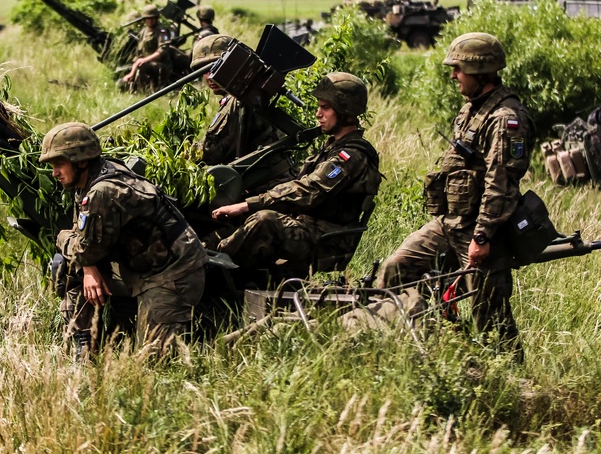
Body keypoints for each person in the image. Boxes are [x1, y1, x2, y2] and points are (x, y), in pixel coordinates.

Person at [376, 32, 532, 351]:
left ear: (480, 72)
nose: (453, 75)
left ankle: (515, 385)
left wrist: (483, 236)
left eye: (458, 69)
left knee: (490, 316)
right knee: (396, 268)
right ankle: (418, 340)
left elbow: (500, 183)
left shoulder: (506, 118)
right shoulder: (470, 109)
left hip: (480, 231)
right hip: (450, 223)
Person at [40, 122, 208, 357]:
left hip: (173, 273)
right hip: (141, 268)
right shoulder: (89, 181)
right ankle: (83, 344)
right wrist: (88, 268)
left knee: (153, 361)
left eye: (59, 164)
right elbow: (84, 247)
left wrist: (62, 238)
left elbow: (82, 247)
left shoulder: (102, 191)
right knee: (68, 267)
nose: (54, 173)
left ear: (81, 161)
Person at [210, 73, 382, 274]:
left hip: (328, 238)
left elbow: (308, 190)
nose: (318, 114)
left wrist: (249, 204)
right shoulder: (333, 147)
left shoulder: (351, 156)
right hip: (311, 226)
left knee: (265, 222)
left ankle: (212, 271)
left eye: (325, 108)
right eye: (319, 107)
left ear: (345, 112)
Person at [190, 34, 295, 186]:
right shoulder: (245, 92)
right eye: (203, 71)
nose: (209, 77)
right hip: (272, 179)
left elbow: (212, 152)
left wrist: (181, 155)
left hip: (272, 185)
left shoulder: (238, 100)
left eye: (215, 67)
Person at [121, 4, 172, 92]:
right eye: (147, 18)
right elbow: (139, 54)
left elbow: (162, 51)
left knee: (142, 66)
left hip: (161, 65)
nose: (150, 21)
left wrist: (145, 60)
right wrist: (132, 70)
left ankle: (143, 92)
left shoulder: (162, 32)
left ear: (156, 18)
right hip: (145, 63)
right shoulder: (143, 32)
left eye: (152, 18)